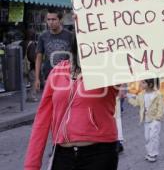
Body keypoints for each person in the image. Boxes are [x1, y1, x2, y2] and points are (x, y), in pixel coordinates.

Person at [24, 36, 119, 170]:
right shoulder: (57, 72)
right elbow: (42, 120)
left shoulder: (108, 71)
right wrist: (31, 165)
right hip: (62, 155)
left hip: (100, 155)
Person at [34, 9, 72, 92]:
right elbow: (39, 57)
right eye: (49, 19)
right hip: (48, 75)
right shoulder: (43, 36)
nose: (51, 22)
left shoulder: (69, 36)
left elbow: (75, 56)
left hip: (65, 75)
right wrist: (37, 78)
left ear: (60, 20)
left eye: (54, 19)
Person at [128, 78, 164, 162]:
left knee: (153, 137)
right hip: (146, 120)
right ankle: (149, 152)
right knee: (147, 137)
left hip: (155, 120)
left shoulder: (158, 94)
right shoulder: (141, 94)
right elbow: (137, 103)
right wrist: (129, 98)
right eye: (141, 82)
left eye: (143, 82)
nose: (141, 84)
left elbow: (161, 107)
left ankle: (153, 154)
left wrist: (158, 118)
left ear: (150, 84)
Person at [20, 28, 38, 102]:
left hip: (22, 66)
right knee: (34, 81)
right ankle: (31, 96)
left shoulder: (21, 43)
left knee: (23, 83)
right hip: (30, 67)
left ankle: (23, 97)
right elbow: (31, 56)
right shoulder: (31, 44)